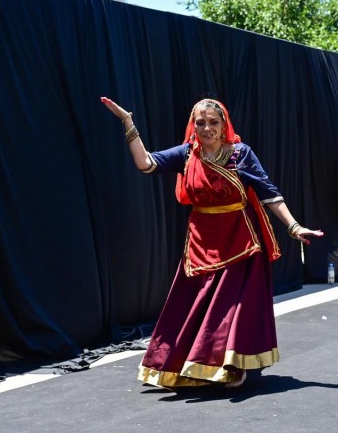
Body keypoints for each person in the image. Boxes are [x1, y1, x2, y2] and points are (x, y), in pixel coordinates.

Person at [99, 96, 323, 389]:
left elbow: (269, 192)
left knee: (231, 308)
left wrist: (293, 226)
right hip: (201, 243)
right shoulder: (186, 154)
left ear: (224, 125)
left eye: (213, 122)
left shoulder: (240, 154)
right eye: (200, 122)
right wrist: (128, 123)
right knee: (195, 305)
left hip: (240, 242)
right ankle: (188, 364)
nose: (207, 128)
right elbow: (146, 163)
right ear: (193, 126)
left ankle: (232, 367)